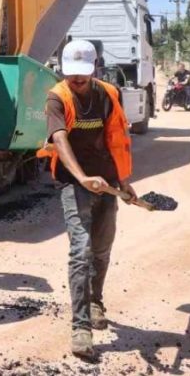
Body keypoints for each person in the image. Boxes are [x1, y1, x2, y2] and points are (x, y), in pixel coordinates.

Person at [40, 39, 139, 361]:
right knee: (80, 252)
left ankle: (96, 300)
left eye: (83, 74)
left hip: (108, 182)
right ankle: (80, 326)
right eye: (72, 75)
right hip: (74, 183)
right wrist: (82, 177)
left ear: (95, 68)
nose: (77, 80)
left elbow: (117, 138)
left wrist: (123, 181)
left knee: (102, 248)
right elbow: (59, 139)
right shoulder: (58, 97)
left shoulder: (109, 93)